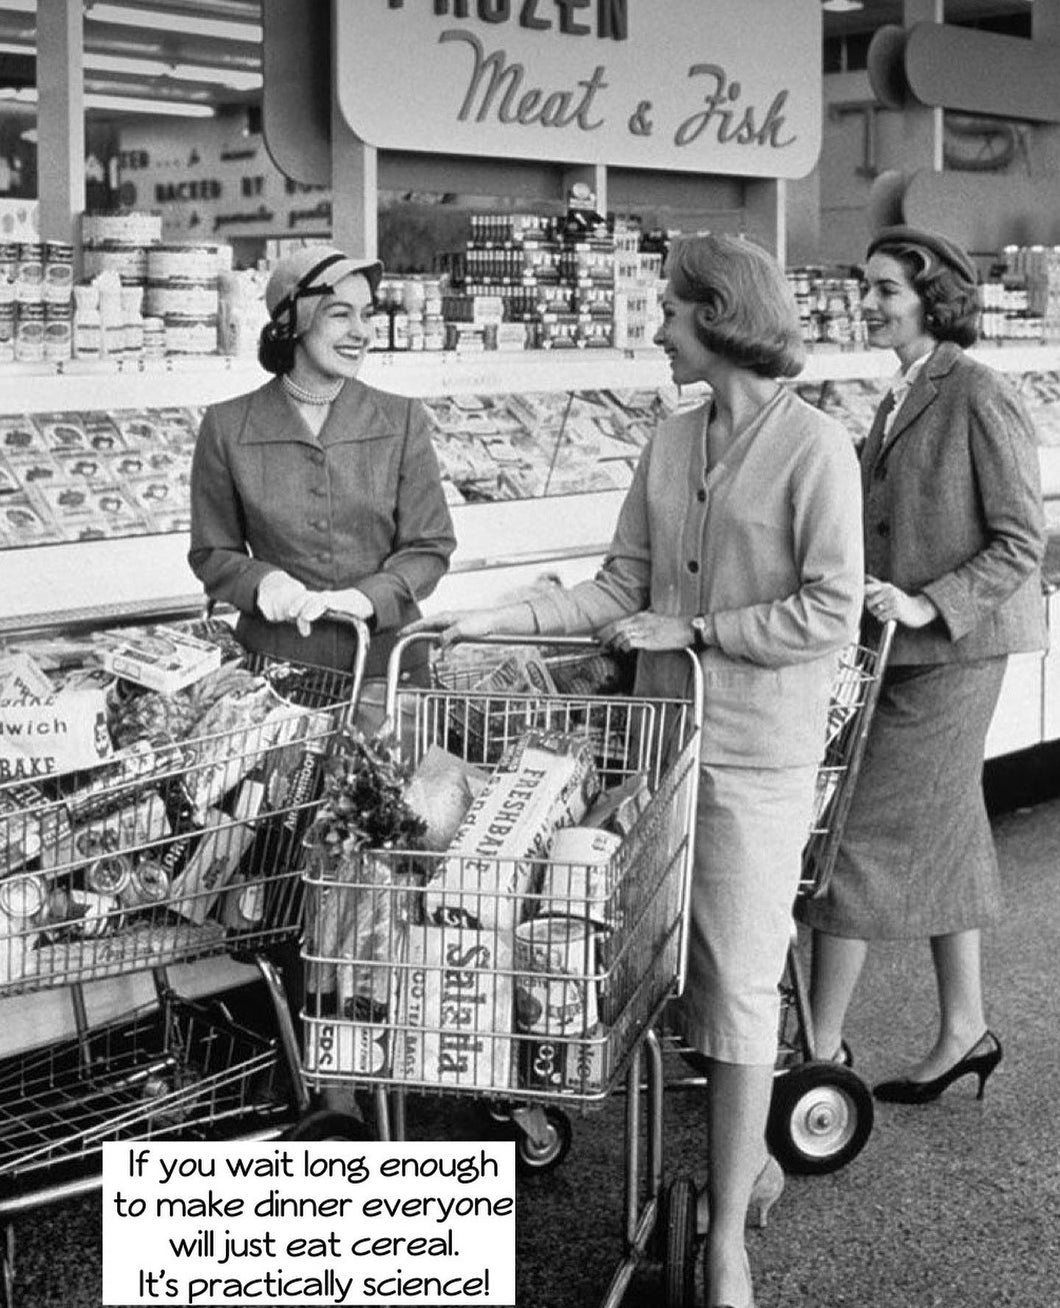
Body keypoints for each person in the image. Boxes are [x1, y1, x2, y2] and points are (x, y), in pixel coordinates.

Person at [407, 233, 864, 1308]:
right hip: (660, 749)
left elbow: (830, 610)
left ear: (716, 313)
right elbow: (619, 586)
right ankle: (733, 1164)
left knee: (742, 978)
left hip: (757, 753)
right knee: (658, 976)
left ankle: (725, 1252)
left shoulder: (816, 449)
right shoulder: (671, 442)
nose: (654, 328)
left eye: (668, 309)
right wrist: (496, 620)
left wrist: (698, 627)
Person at [797, 226, 1046, 1105]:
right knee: (946, 831)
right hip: (906, 653)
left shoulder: (976, 391)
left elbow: (1022, 536)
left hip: (955, 651)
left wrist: (926, 602)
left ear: (933, 297)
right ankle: (962, 1029)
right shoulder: (899, 393)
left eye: (885, 290)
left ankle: (815, 1052)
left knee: (854, 839)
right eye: (866, 288)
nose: (868, 303)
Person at [188, 243, 456, 706]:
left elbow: (429, 546)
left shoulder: (400, 419)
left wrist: (367, 598)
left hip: (388, 672)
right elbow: (213, 551)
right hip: (275, 677)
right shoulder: (228, 426)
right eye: (339, 315)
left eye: (366, 315)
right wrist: (263, 583)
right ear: (295, 320)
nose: (362, 332)